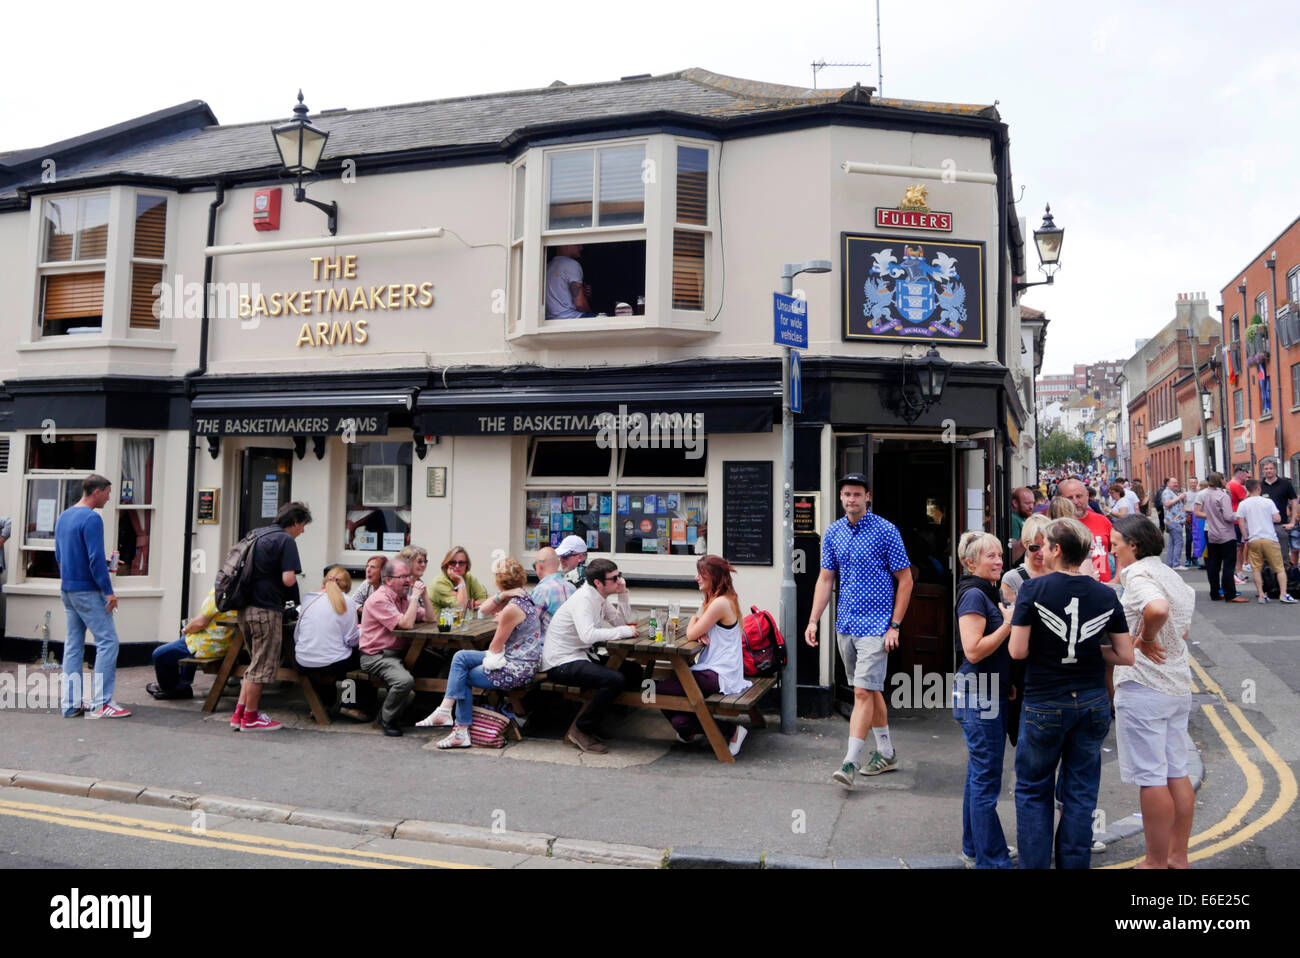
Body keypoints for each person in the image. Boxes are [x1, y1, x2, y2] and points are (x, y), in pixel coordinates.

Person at [1009, 517, 1134, 869]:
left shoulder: (1033, 590)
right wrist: (1089, 649)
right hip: (1093, 701)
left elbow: (1017, 652)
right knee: (1080, 792)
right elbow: (1126, 655)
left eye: (1044, 545)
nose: (1040, 550)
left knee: (1034, 791)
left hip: (1045, 701)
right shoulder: (1106, 593)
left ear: (1057, 550)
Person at [805, 472, 912, 788]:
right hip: (846, 625)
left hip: (877, 627)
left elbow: (905, 580)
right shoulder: (833, 533)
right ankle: (887, 753)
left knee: (862, 691)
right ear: (841, 498)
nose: (851, 499)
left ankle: (849, 761)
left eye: (856, 494)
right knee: (870, 689)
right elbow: (826, 579)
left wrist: (894, 626)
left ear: (869, 496)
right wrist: (813, 620)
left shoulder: (886, 531)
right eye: (846, 494)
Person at [1109, 515, 1197, 869]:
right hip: (1177, 685)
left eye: (1116, 542)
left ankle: (1154, 861)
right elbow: (1183, 630)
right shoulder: (1172, 575)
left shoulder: (1138, 574)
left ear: (1134, 544)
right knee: (1177, 771)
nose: (1112, 547)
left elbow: (1156, 609)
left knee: (1151, 777)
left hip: (1143, 687)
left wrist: (1143, 639)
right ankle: (1178, 856)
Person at [419, 555, 543, 748]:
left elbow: (495, 647)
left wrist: (503, 617)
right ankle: (445, 711)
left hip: (517, 668)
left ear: (498, 580)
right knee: (460, 656)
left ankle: (459, 730)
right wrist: (504, 595)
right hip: (521, 661)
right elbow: (484, 610)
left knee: (464, 676)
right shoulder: (523, 598)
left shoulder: (512, 609)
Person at [954, 531, 1017, 868]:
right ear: (970, 562)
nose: (998, 561)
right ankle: (991, 860)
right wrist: (1007, 624)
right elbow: (974, 651)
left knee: (979, 774)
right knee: (986, 779)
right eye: (989, 556)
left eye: (999, 555)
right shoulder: (974, 596)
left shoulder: (985, 591)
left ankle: (973, 847)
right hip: (979, 693)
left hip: (990, 689)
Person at [540, 557, 642, 754]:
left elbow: (621, 622)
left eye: (619, 575)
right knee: (614, 680)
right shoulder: (584, 599)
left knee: (633, 670)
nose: (619, 580)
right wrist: (624, 632)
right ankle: (581, 729)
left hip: (582, 656)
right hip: (561, 662)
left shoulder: (599, 598)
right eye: (614, 578)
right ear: (598, 582)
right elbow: (588, 635)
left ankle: (601, 720)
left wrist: (623, 594)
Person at [658, 555, 752, 757]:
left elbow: (691, 633)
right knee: (680, 722)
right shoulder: (721, 599)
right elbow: (700, 629)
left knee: (654, 689)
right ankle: (688, 730)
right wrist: (700, 628)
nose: (696, 578)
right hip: (717, 671)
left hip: (718, 674)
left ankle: (732, 731)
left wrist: (693, 620)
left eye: (701, 574)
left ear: (714, 577)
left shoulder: (720, 603)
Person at [231, 501, 310, 732]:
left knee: (254, 662)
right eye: (302, 526)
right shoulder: (285, 540)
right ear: (294, 522)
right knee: (262, 665)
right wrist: (295, 601)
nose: (302, 531)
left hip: (244, 608)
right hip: (266, 609)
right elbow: (288, 579)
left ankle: (239, 714)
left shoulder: (256, 534)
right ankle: (252, 718)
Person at [54, 474, 129, 719]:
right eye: (107, 492)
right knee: (108, 642)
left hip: (68, 589)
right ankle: (102, 703)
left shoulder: (64, 516)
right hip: (88, 590)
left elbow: (60, 555)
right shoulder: (92, 518)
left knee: (73, 646)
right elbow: (96, 559)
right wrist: (109, 592)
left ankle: (71, 703)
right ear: (96, 492)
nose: (109, 498)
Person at [294, 567, 375, 721]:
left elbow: (297, 635)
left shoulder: (308, 599)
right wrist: (362, 632)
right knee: (364, 659)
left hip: (303, 661)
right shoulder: (348, 602)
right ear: (346, 585)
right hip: (332, 663)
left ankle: (323, 704)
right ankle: (352, 705)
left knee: (328, 656)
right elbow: (351, 640)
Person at [359, 558, 429, 735]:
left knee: (440, 664)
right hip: (377, 656)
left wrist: (424, 596)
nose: (408, 580)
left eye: (408, 576)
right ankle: (386, 718)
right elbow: (405, 624)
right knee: (404, 681)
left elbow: (430, 618)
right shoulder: (379, 600)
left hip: (400, 652)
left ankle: (417, 711)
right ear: (388, 580)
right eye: (402, 576)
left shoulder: (402, 598)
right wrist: (414, 597)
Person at [147, 587, 238, 700]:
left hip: (207, 644)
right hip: (225, 644)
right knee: (182, 645)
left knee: (159, 654)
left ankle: (174, 689)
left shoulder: (222, 592)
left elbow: (200, 623)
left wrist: (185, 629)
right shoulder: (242, 594)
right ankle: (183, 684)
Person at [1236, 479, 1294, 603]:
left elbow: (1241, 523)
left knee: (1256, 569)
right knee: (1279, 568)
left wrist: (1246, 537)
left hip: (1254, 539)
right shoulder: (1268, 502)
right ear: (1258, 488)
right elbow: (1277, 518)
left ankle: (1262, 595)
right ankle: (1283, 594)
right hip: (1269, 538)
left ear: (1247, 489)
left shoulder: (1243, 504)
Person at [1198, 473, 1248, 603]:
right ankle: (1230, 594)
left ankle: (1214, 593)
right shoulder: (1222, 496)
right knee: (1228, 566)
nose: (1226, 480)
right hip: (1226, 534)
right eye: (1224, 479)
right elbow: (1228, 516)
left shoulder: (1207, 494)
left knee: (1214, 565)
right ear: (1220, 480)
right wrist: (1239, 515)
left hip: (1212, 533)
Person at [1057, 479, 1112, 583]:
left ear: (1087, 495)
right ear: (1062, 499)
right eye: (1070, 498)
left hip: (1104, 586)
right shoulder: (1058, 526)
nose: (1075, 502)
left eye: (1079, 496)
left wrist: (1117, 579)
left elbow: (1118, 552)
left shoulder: (1103, 521)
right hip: (1071, 587)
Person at [1259, 458, 1297, 567]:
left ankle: (1284, 582)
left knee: (1283, 558)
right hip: (1263, 527)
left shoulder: (1285, 484)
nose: (1268, 471)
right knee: (1265, 561)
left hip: (1281, 526)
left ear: (1275, 469)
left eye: (1271, 468)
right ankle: (1269, 582)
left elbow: (1294, 501)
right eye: (1266, 469)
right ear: (1263, 470)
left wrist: (1292, 521)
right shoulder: (1259, 485)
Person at [431, 546, 489, 612]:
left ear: (467, 565)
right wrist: (460, 581)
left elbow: (484, 600)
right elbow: (461, 607)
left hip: (468, 621)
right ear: (447, 564)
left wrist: (470, 603)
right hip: (440, 622)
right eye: (453, 563)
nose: (457, 566)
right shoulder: (438, 583)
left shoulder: (469, 578)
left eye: (461, 563)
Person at [545, 244, 596, 318]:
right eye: (578, 244)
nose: (581, 247)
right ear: (565, 244)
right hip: (571, 318)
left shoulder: (547, 266)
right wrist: (592, 315)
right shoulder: (572, 264)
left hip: (551, 321)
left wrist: (583, 294)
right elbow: (580, 304)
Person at [1227, 466, 1250, 579]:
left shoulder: (1229, 484)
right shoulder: (1237, 486)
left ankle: (1238, 571)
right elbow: (1246, 502)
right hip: (1237, 520)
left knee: (1237, 547)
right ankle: (1238, 572)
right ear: (1240, 476)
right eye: (1246, 476)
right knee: (1238, 548)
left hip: (1232, 518)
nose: (1247, 478)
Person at [1009, 487, 1035, 564]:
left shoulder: (1024, 516)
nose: (1031, 507)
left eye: (1032, 503)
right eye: (1027, 503)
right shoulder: (1013, 519)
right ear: (1015, 503)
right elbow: (1013, 552)